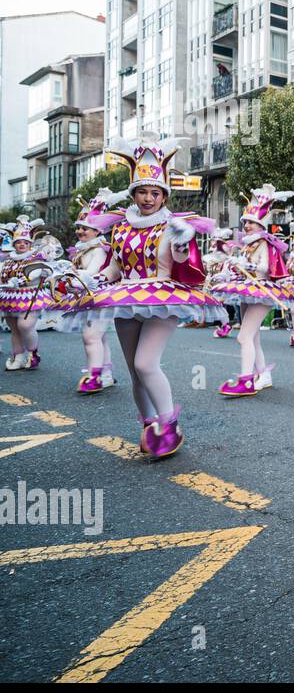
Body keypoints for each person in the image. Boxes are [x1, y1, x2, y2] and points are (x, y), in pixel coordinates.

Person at [60, 135, 226, 458]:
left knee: (145, 363)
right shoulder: (121, 228)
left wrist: (180, 243)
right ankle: (150, 424)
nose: (148, 198)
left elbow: (181, 263)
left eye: (155, 192)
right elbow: (115, 268)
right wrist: (94, 279)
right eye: (142, 191)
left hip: (162, 299)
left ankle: (169, 424)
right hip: (126, 300)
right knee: (135, 371)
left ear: (164, 195)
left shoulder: (172, 226)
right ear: (133, 193)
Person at [208, 184, 294, 396]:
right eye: (245, 222)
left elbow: (265, 269)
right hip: (248, 290)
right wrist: (228, 272)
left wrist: (243, 265)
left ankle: (246, 380)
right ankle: (263, 374)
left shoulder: (264, 244)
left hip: (262, 291)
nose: (247, 225)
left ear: (261, 225)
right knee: (253, 336)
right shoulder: (249, 244)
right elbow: (241, 267)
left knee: (243, 337)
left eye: (251, 222)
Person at [62, 190, 127, 392]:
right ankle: (103, 374)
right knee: (96, 336)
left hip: (100, 297)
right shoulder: (84, 249)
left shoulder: (98, 249)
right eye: (79, 228)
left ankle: (96, 376)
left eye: (86, 228)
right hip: (92, 296)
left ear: (98, 231)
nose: (81, 231)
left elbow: (92, 273)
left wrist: (72, 274)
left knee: (91, 336)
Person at [0, 216, 54, 370]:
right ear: (14, 243)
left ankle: (33, 353)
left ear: (30, 243)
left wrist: (43, 273)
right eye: (18, 242)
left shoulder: (36, 257)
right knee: (14, 328)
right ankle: (18, 356)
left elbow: (40, 273)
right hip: (9, 297)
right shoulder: (9, 260)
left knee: (25, 325)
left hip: (30, 296)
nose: (22, 244)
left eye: (25, 242)